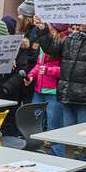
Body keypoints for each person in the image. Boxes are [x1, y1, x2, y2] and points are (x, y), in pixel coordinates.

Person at [33, 16, 86, 172]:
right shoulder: (73, 38)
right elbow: (52, 47)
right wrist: (42, 29)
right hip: (68, 95)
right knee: (69, 137)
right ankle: (68, 169)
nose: (77, 23)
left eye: (82, 20)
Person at [25, 17, 64, 157]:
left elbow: (67, 70)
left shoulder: (63, 42)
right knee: (34, 126)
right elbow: (38, 65)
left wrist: (49, 71)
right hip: (39, 91)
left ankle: (58, 159)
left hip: (54, 93)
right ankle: (34, 155)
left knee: (55, 128)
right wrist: (31, 76)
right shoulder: (44, 41)